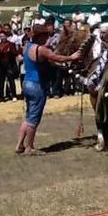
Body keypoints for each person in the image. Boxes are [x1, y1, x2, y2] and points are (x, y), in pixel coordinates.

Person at [16, 25, 81, 155]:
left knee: (28, 116)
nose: (47, 38)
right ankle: (29, 147)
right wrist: (71, 57)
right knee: (34, 118)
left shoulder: (27, 46)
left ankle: (19, 145)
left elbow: (43, 62)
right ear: (40, 36)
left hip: (26, 82)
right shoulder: (41, 49)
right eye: (45, 35)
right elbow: (56, 57)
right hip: (37, 85)